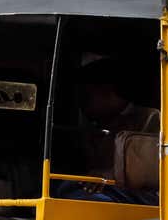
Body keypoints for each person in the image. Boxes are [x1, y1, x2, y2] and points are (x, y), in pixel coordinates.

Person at [56, 57, 159, 205]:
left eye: (86, 98)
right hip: (107, 190)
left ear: (107, 92)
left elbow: (153, 168)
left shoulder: (150, 118)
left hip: (140, 194)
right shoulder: (98, 125)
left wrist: (110, 174)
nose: (81, 105)